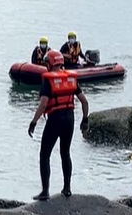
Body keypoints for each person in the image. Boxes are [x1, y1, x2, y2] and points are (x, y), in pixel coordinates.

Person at [28, 49, 90, 201]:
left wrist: (33, 122)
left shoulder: (48, 80)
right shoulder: (70, 79)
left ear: (50, 63)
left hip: (55, 119)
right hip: (69, 119)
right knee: (65, 153)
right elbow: (84, 101)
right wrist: (85, 119)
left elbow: (43, 104)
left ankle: (45, 192)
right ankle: (67, 188)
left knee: (44, 155)